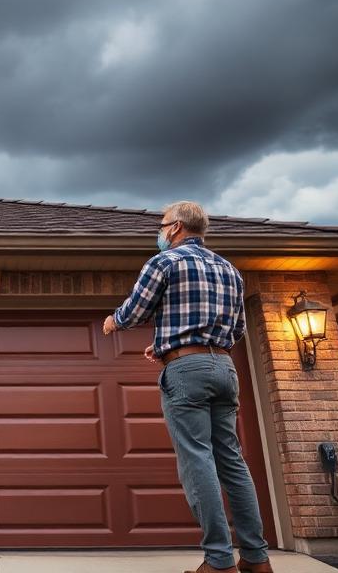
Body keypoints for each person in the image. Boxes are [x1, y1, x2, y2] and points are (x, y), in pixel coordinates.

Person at [103, 201, 272, 573]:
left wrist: (113, 321)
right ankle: (257, 560)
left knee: (197, 460)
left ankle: (219, 561)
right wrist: (170, 344)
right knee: (232, 461)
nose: (160, 232)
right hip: (223, 366)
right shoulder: (230, 270)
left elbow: (136, 310)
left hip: (187, 370)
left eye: (162, 226)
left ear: (176, 227)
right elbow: (238, 329)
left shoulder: (165, 262)